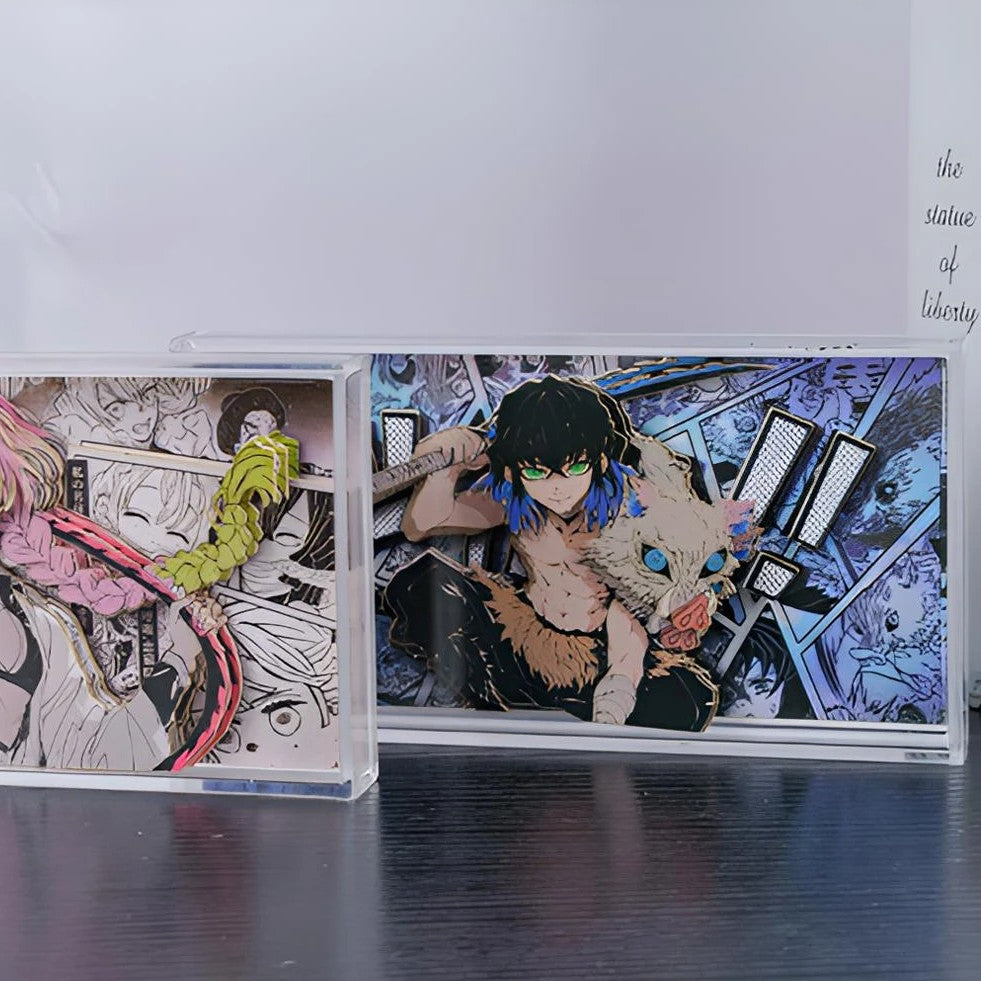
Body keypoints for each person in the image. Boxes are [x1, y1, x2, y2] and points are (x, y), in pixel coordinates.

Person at [385, 374, 717, 732]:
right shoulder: (512, 500)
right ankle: (520, 703)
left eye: (575, 468)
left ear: (601, 461)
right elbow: (422, 524)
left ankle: (590, 701)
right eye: (537, 472)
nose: (558, 487)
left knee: (690, 700)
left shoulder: (633, 504)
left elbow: (688, 556)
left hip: (604, 649)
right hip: (522, 635)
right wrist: (448, 465)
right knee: (420, 583)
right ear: (511, 471)